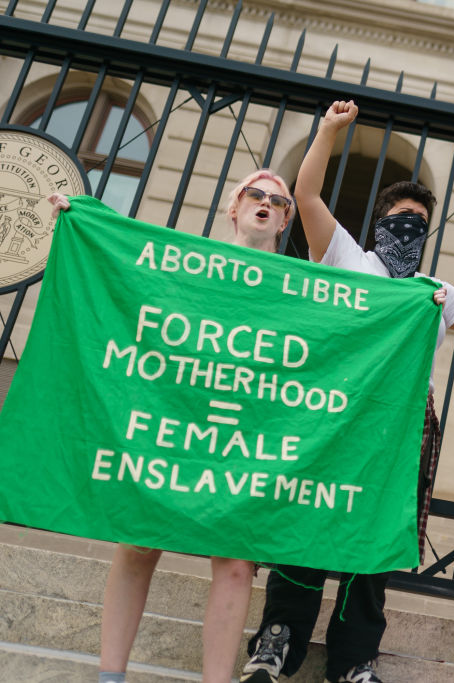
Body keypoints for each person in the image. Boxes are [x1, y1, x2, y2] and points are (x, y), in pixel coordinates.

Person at [241, 99, 454, 683]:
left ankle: (354, 658)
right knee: (309, 518)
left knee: (377, 536)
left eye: (419, 225)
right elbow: (306, 197)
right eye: (400, 220)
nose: (409, 231)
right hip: (337, 418)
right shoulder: (349, 259)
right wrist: (329, 131)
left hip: (402, 432)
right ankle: (279, 640)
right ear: (380, 226)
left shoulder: (432, 290)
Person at [51, 169, 296, 683]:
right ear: (234, 208)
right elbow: (128, 271)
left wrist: (417, 303)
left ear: (284, 221)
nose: (266, 203)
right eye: (256, 193)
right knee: (139, 541)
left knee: (234, 564)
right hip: (175, 418)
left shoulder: (300, 287)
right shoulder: (189, 262)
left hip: (243, 433)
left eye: (279, 201)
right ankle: (109, 677)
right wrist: (81, 222)